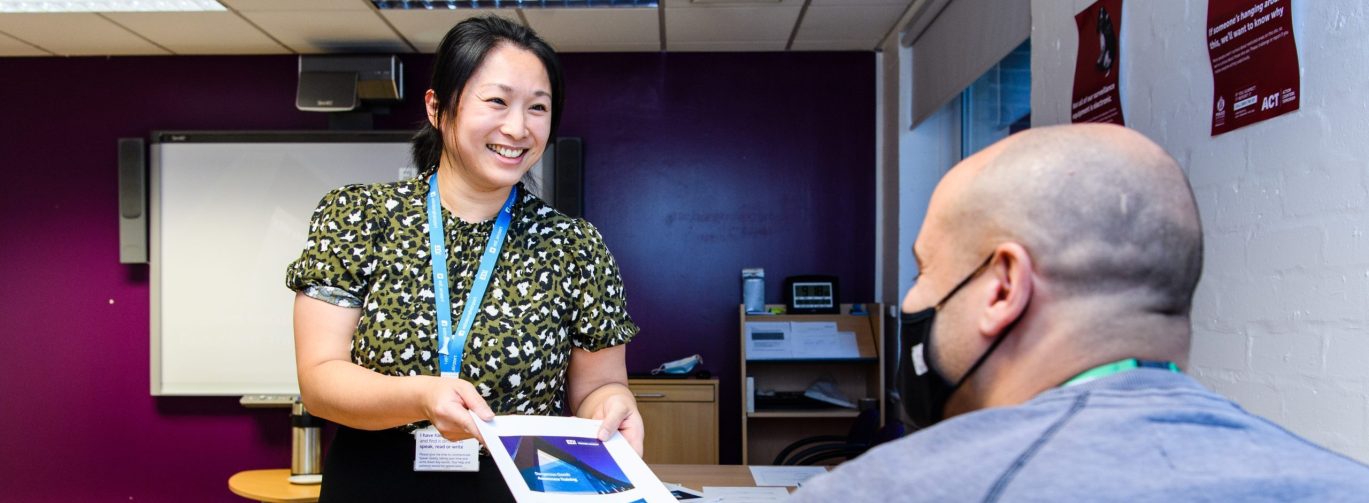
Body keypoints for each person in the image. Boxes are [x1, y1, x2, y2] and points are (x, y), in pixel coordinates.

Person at [792, 124, 1369, 501]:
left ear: (1002, 288)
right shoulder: (1345, 485)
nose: (914, 301)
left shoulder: (880, 492)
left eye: (923, 272)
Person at [285, 16, 641, 502]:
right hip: (377, 481)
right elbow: (321, 379)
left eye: (538, 107)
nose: (517, 127)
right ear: (437, 107)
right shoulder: (359, 216)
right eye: (496, 101)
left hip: (520, 482)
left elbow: (598, 387)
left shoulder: (574, 245)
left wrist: (615, 405)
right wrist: (421, 397)